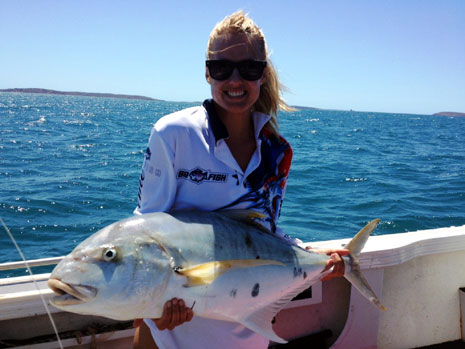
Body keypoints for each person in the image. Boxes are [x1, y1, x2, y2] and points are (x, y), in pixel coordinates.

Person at [132, 10, 347, 349]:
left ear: (262, 75)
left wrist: (313, 257)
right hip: (169, 332)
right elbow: (146, 231)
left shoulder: (276, 152)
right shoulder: (172, 134)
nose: (235, 80)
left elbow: (263, 231)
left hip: (246, 329)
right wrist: (149, 306)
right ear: (206, 73)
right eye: (221, 69)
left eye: (248, 68)